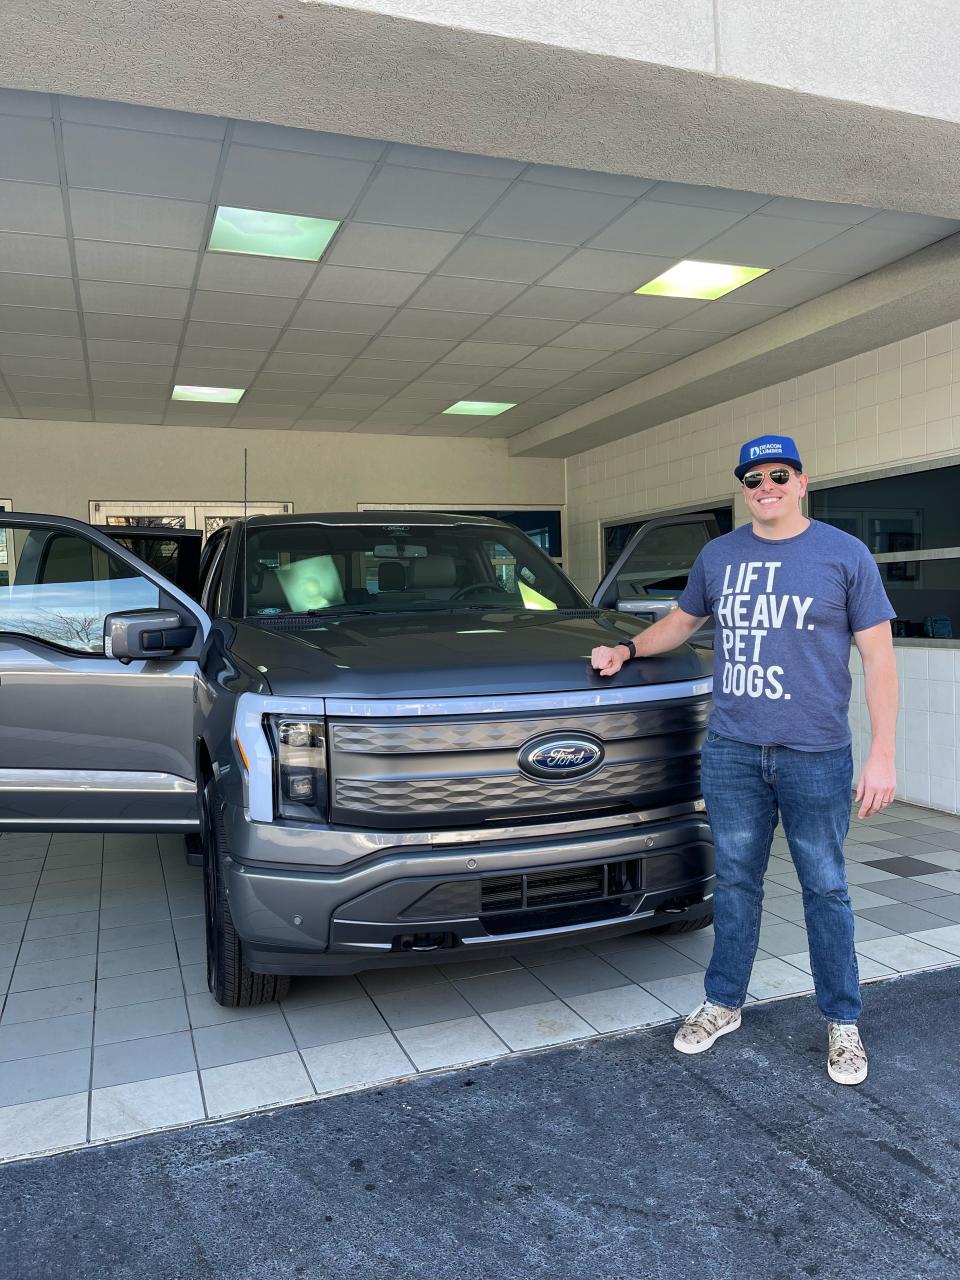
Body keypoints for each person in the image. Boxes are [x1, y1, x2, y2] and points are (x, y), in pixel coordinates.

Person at [591, 434, 898, 1086]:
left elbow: (879, 659)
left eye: (778, 476)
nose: (766, 488)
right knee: (734, 882)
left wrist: (884, 755)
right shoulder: (719, 555)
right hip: (732, 751)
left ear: (802, 480)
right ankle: (724, 1002)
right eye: (753, 479)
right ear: (744, 488)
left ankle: (842, 1020)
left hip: (816, 755)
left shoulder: (845, 555)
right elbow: (681, 622)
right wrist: (627, 650)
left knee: (826, 887)